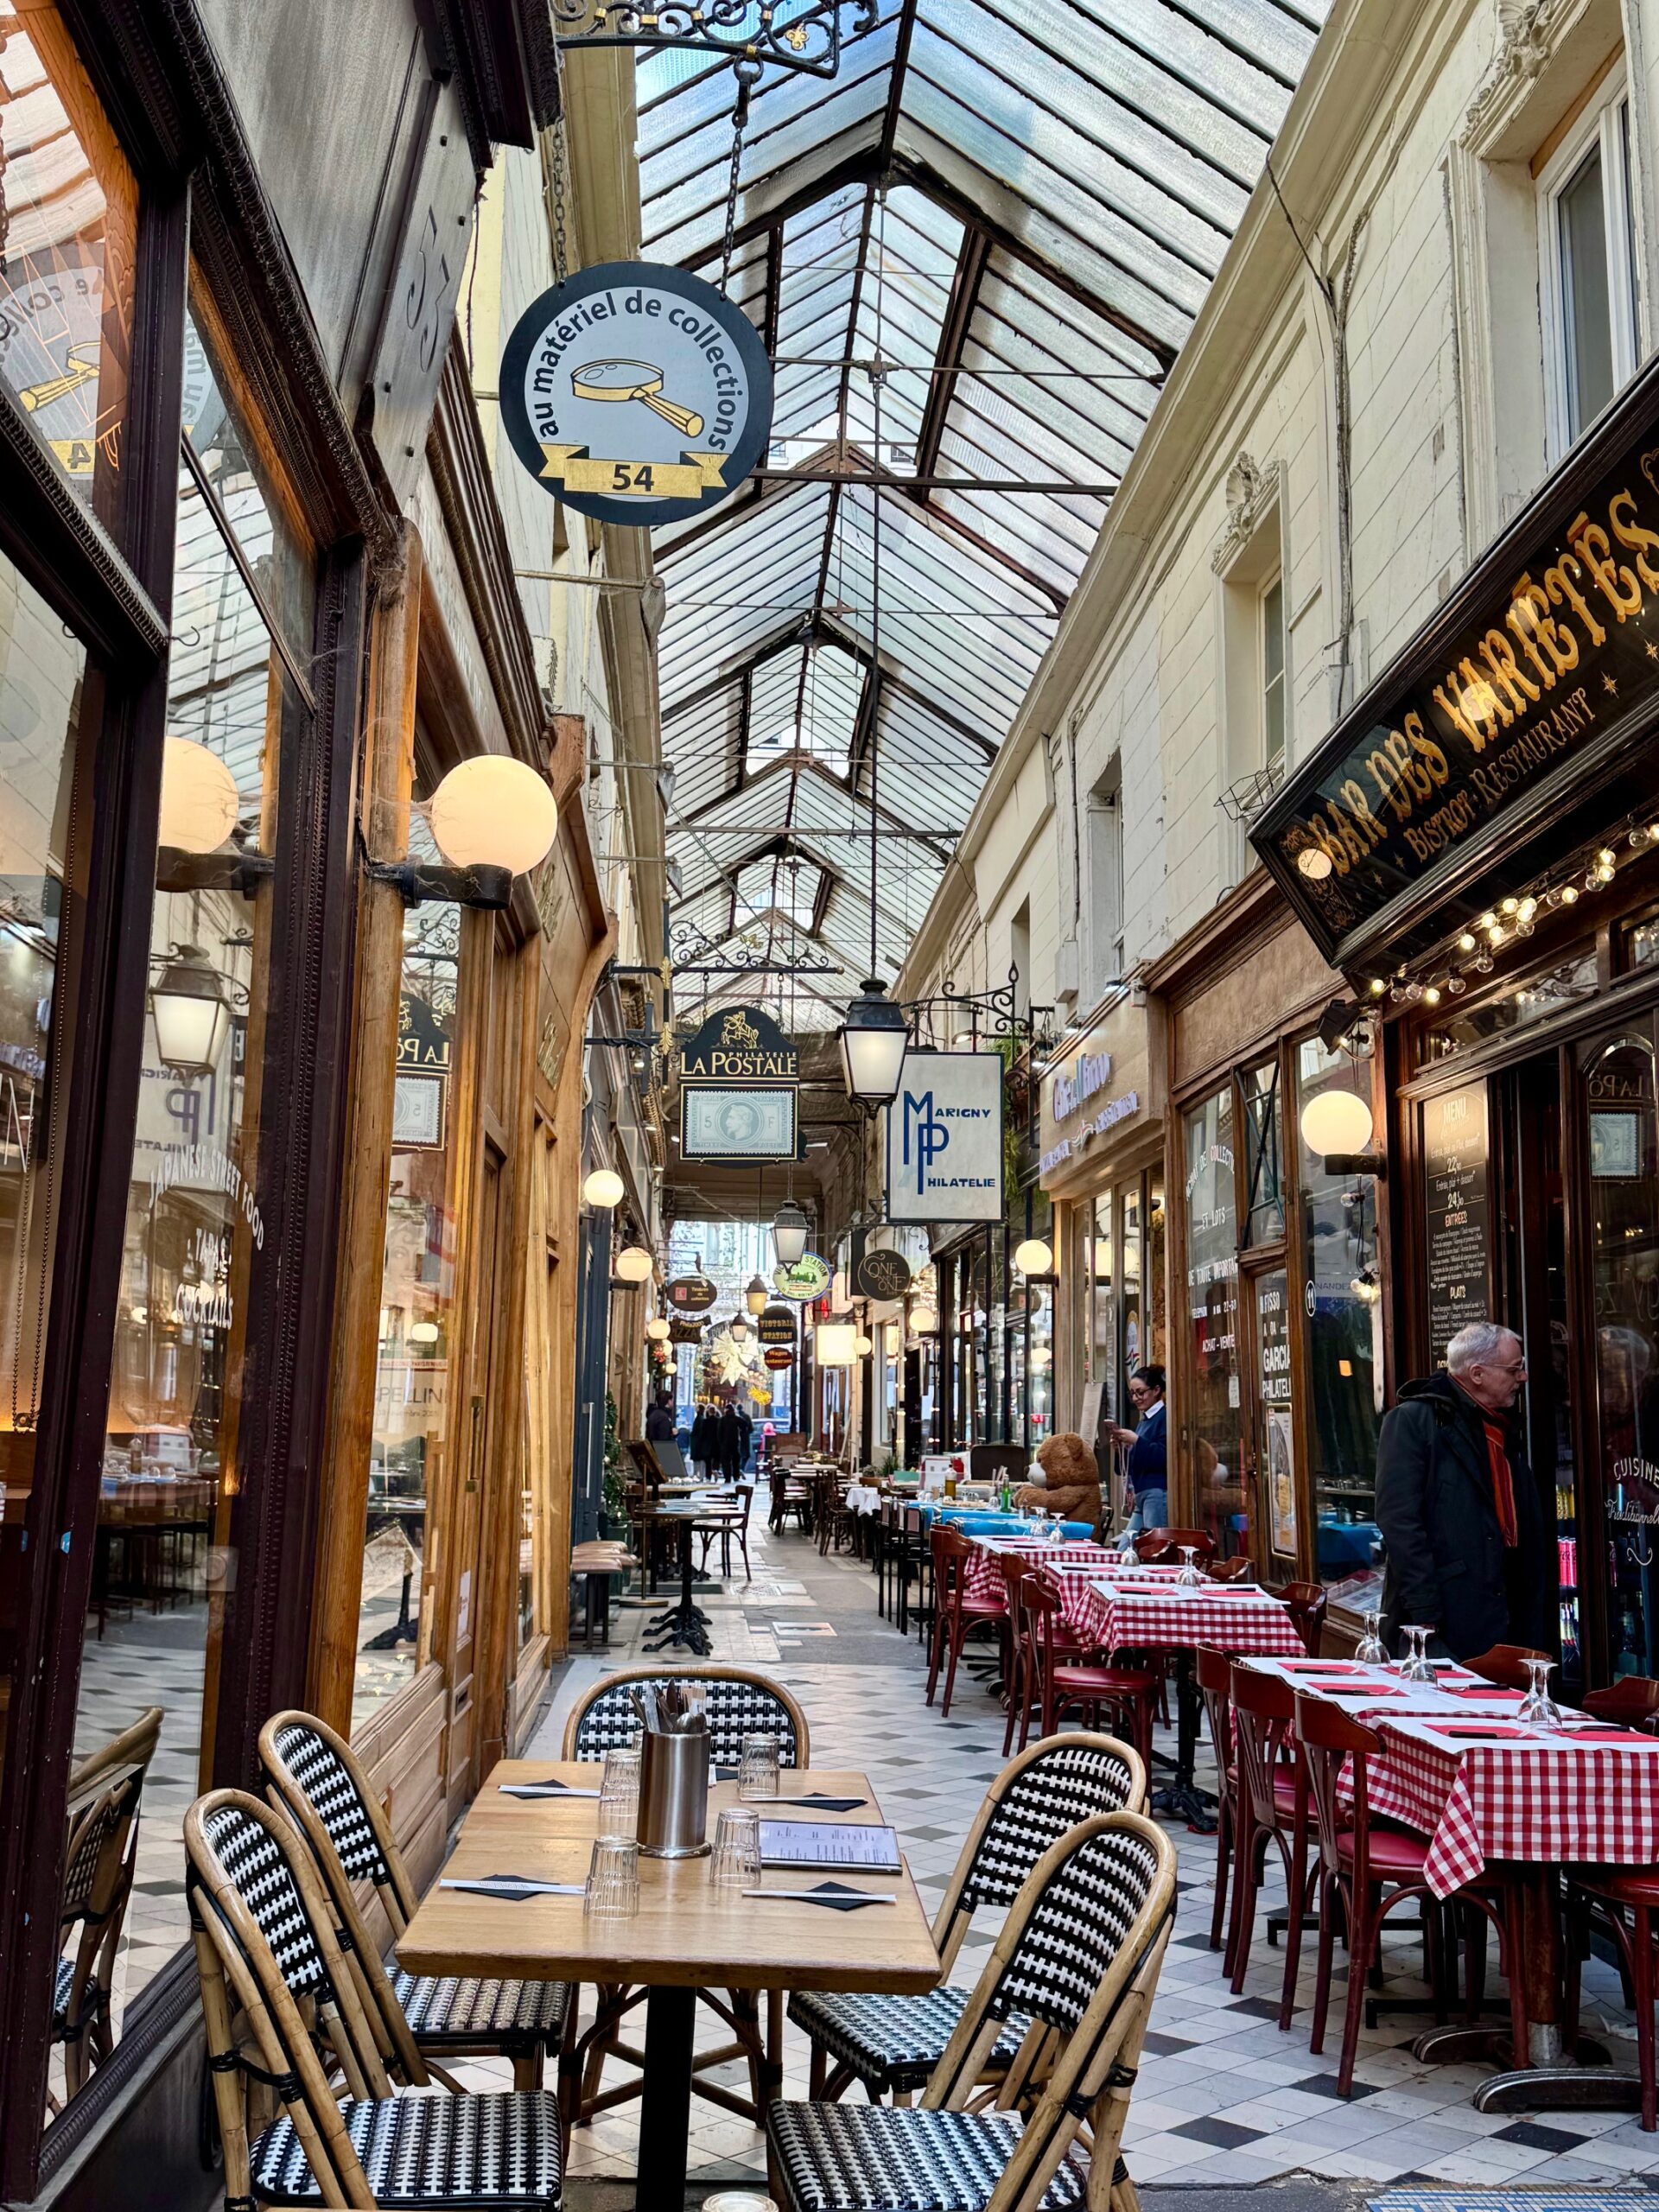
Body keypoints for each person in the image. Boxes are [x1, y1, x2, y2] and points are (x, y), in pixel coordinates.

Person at [1375, 1319, 1555, 1661]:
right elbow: (1399, 1522)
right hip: (1447, 1621)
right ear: (1477, 1374)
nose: (1523, 1378)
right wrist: (1426, 1615)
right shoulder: (1413, 1422)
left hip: (1508, 1619)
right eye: (1514, 1369)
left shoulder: (1503, 1427)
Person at [1104, 1366, 1168, 1546]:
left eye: (1140, 1393)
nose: (1135, 1399)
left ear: (1156, 1390)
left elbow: (1164, 1457)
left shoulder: (1164, 1417)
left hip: (1156, 1492)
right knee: (1125, 1550)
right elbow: (1127, 1468)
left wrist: (1136, 1441)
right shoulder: (1145, 1420)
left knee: (1152, 1549)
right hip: (1142, 1493)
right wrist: (1121, 1450)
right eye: (1132, 1393)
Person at [1013, 1431, 1102, 1527]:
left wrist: (1027, 1497)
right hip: (1065, 1530)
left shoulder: (1081, 1490)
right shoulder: (1071, 1487)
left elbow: (1050, 1503)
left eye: (1041, 1462)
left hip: (1077, 1535)